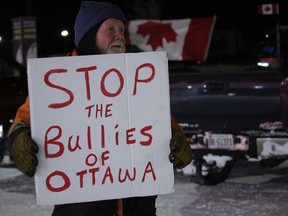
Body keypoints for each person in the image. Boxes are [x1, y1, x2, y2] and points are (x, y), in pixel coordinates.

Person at [7, 1, 193, 215]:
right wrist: (19, 137)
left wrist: (177, 136)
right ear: (89, 34)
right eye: (110, 29)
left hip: (137, 206)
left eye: (122, 30)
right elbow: (24, 120)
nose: (119, 35)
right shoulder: (59, 80)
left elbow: (160, 122)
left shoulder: (138, 77)